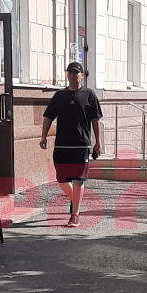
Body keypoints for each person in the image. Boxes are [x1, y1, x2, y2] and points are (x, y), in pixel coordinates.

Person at [39, 62, 103, 227]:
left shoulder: (89, 95)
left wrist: (98, 143)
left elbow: (95, 120)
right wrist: (43, 136)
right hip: (62, 145)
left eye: (76, 72)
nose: (73, 75)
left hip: (81, 145)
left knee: (78, 180)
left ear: (82, 75)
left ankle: (75, 215)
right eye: (70, 72)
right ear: (67, 75)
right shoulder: (59, 96)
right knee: (61, 179)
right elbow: (48, 116)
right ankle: (76, 200)